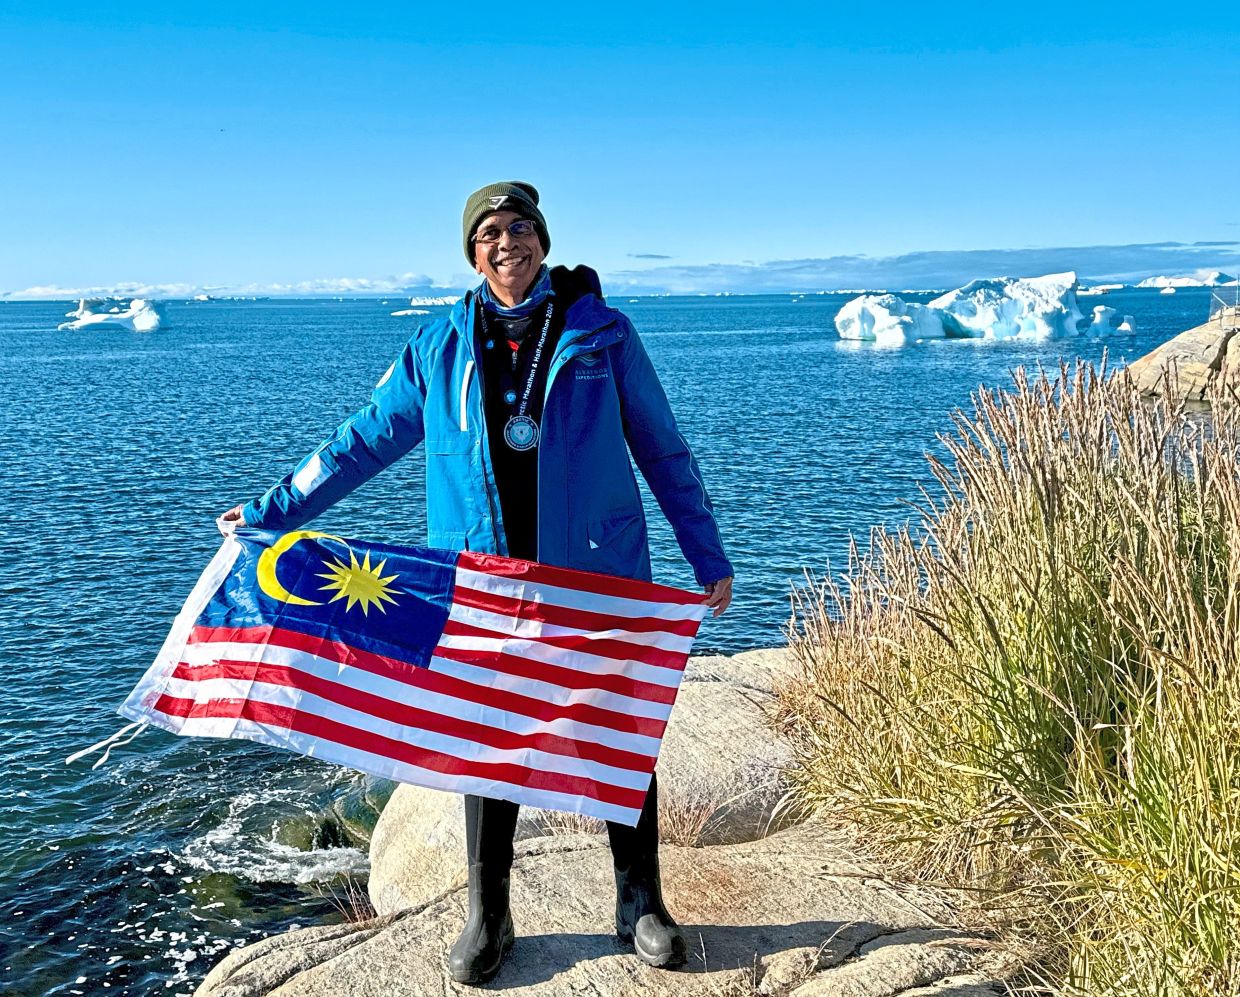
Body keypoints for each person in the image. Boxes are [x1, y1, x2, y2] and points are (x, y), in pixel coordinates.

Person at [219, 180, 733, 985]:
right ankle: (488, 914)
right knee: (485, 741)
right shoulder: (440, 345)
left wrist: (708, 556)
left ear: (543, 239)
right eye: (489, 232)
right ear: (472, 250)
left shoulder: (603, 335)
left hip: (594, 575)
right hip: (484, 583)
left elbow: (663, 449)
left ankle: (643, 905)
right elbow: (358, 443)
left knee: (615, 731)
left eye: (519, 228)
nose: (506, 244)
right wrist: (271, 510)